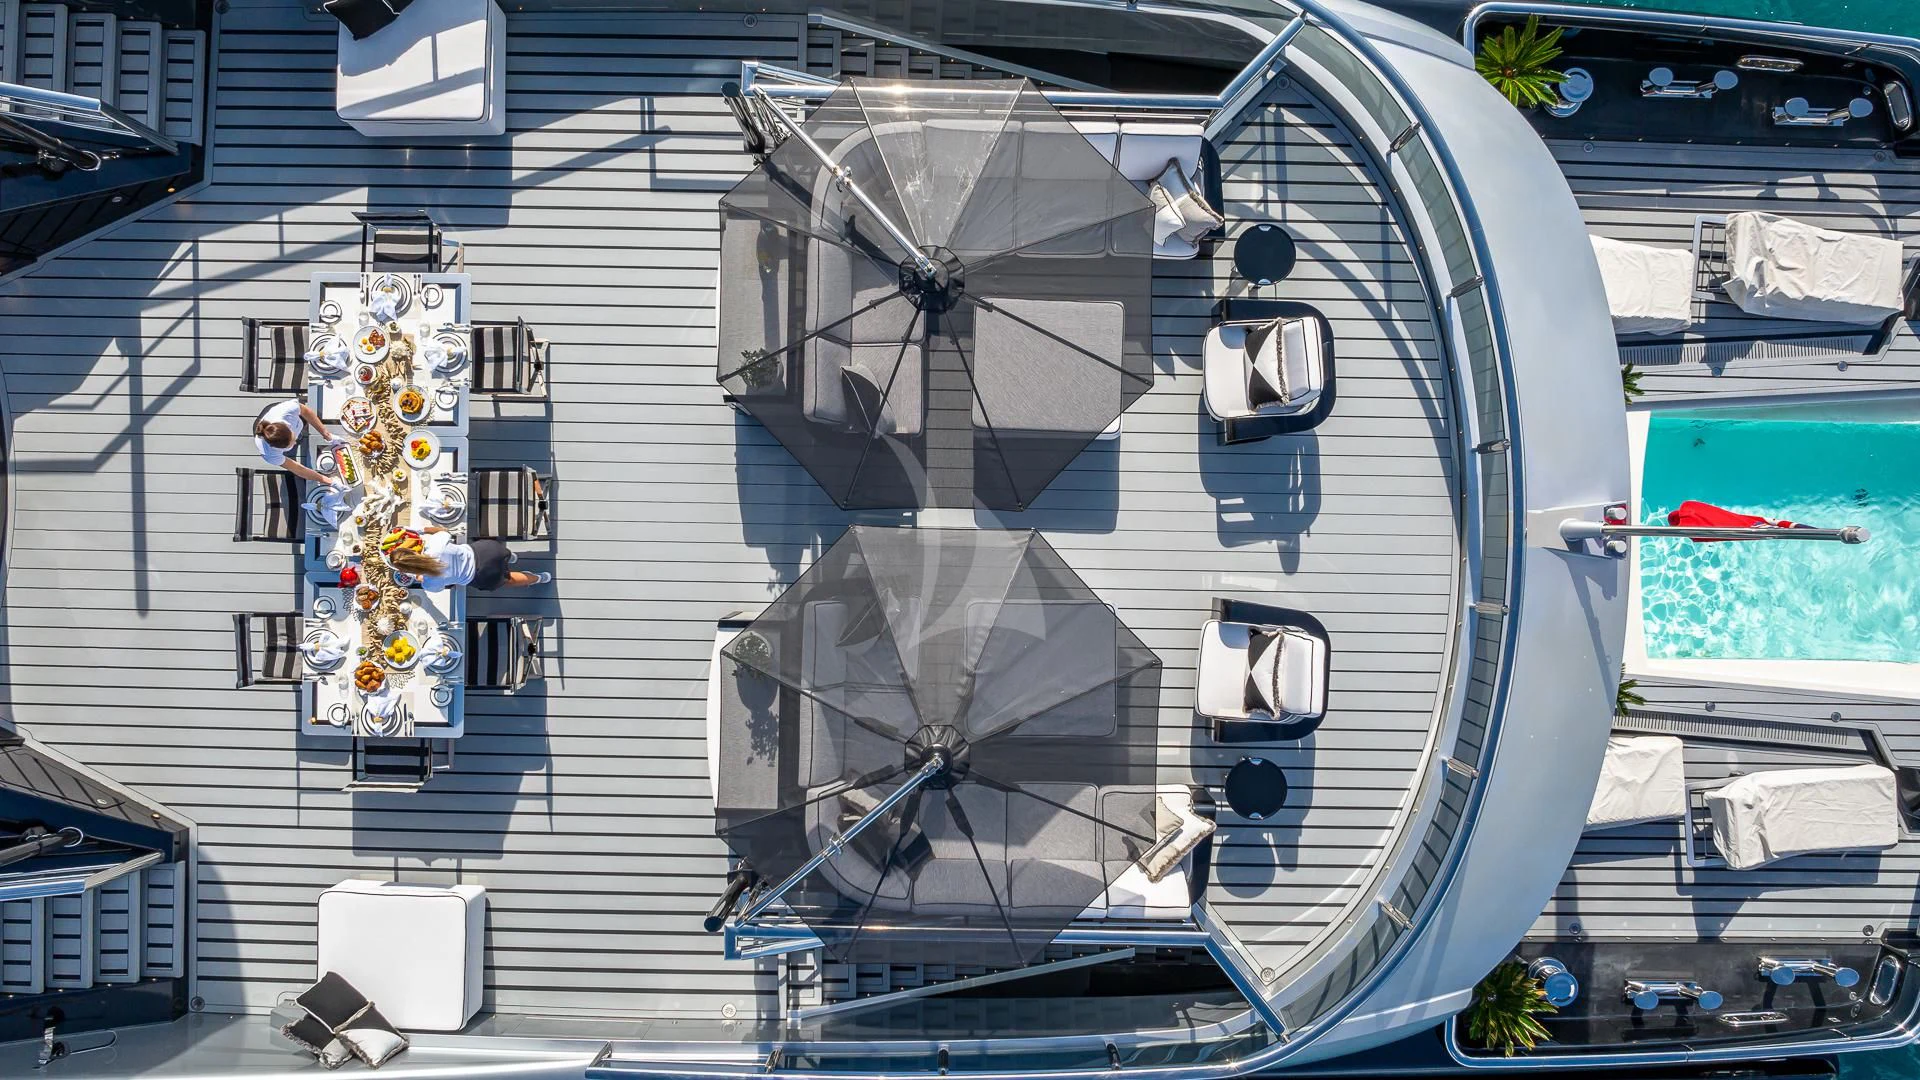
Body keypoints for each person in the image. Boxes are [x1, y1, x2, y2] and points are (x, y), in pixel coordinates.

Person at [386, 526, 549, 592]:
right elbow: (444, 530)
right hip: (486, 550)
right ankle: (509, 557)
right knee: (500, 553)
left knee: (509, 579)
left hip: (480, 575)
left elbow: (444, 585)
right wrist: (421, 530)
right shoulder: (434, 544)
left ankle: (538, 578)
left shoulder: (429, 582)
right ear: (410, 551)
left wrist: (418, 576)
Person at [253, 398, 340, 486]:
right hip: (268, 431)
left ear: (288, 427)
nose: (295, 443)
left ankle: (300, 431)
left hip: (275, 414)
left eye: (293, 438)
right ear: (278, 448)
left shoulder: (286, 411)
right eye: (290, 444)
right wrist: (327, 481)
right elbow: (299, 470)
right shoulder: (269, 454)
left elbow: (306, 411)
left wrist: (326, 434)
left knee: (312, 418)